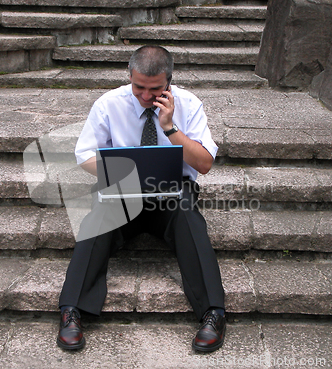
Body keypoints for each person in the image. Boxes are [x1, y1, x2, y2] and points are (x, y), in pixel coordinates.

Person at [57, 45, 226, 353]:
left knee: (188, 214)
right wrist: (121, 172)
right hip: (122, 193)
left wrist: (170, 127)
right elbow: (84, 156)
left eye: (155, 89)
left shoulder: (189, 104)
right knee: (96, 218)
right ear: (130, 77)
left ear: (169, 82)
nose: (146, 97)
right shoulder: (110, 103)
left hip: (172, 194)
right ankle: (72, 310)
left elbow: (204, 163)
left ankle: (213, 312)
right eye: (139, 88)